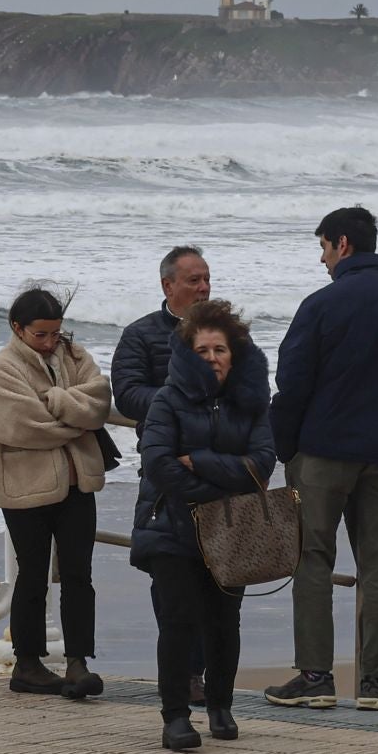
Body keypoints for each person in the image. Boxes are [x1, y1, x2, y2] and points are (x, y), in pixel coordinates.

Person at [266, 207, 378, 711]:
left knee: (312, 561)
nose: (322, 260)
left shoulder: (321, 305)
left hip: (323, 454)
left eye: (323, 248)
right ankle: (374, 683)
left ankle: (316, 676)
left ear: (341, 244)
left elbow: (292, 383)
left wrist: (286, 446)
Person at [130, 299, 274, 751]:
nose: (212, 358)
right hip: (170, 526)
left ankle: (220, 705)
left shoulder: (251, 404)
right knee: (177, 621)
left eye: (220, 350)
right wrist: (220, 485)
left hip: (231, 530)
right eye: (203, 350)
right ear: (187, 354)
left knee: (223, 621)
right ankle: (175, 715)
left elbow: (262, 464)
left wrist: (204, 463)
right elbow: (158, 464)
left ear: (235, 354)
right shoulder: (167, 400)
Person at [0, 284, 112, 698]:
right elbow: (24, 426)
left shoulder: (74, 356)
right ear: (17, 328)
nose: (50, 341)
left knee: (78, 573)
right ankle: (28, 663)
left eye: (56, 333)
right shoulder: (2, 367)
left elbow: (99, 401)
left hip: (77, 481)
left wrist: (55, 398)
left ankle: (77, 661)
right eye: (41, 334)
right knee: (32, 573)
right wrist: (76, 419)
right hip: (24, 486)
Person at [113, 244, 213, 703]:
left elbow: (251, 391)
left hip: (220, 471)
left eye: (206, 278)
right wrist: (183, 401)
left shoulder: (224, 333)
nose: (203, 287)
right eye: (193, 280)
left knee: (217, 578)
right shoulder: (141, 335)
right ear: (167, 285)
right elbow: (128, 394)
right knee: (171, 580)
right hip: (166, 474)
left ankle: (210, 677)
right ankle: (183, 675)